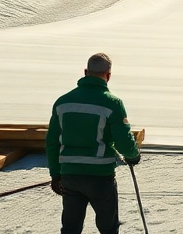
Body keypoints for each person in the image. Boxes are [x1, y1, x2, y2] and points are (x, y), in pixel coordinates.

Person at [47, 53, 141, 234]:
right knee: (108, 228)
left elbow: (52, 141)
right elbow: (123, 139)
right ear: (108, 75)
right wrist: (133, 155)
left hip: (70, 176)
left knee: (70, 228)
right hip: (100, 177)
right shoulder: (112, 103)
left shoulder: (63, 102)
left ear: (85, 72)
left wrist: (55, 174)